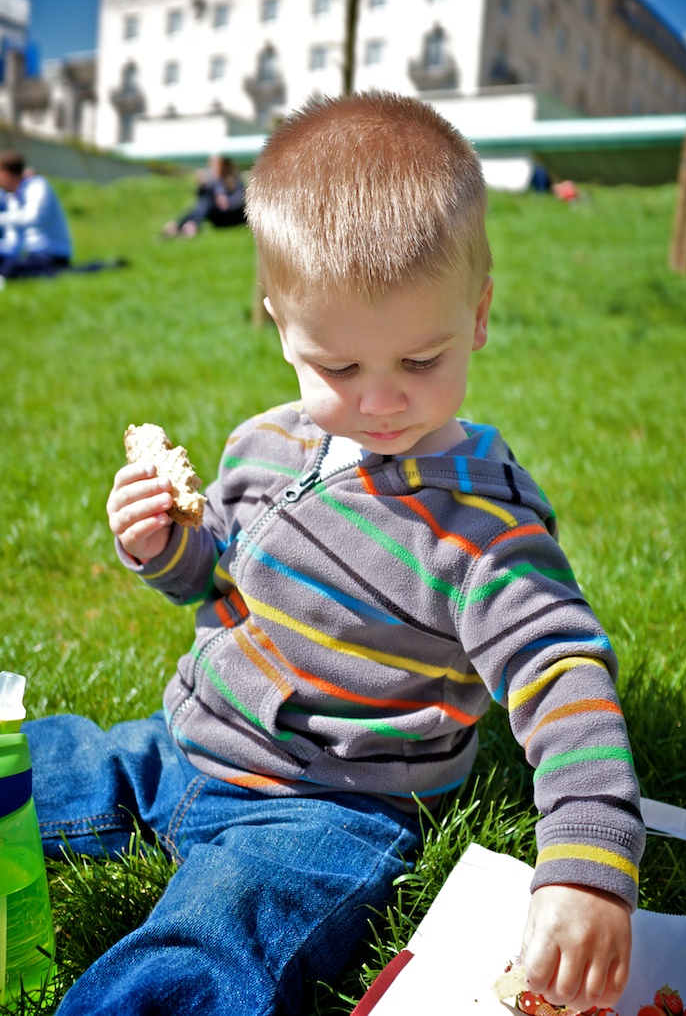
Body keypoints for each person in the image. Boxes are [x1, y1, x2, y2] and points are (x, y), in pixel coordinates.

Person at [25, 92, 644, 1016]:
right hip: (181, 743)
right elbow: (217, 577)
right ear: (280, 324)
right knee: (43, 764)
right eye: (340, 370)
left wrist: (588, 860)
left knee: (217, 940)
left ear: (477, 315)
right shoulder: (263, 442)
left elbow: (559, 670)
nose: (383, 402)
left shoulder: (483, 521)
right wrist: (166, 547)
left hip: (330, 807)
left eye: (422, 359)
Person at [0, 150, 73, 280]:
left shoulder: (37, 186)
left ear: (5, 173)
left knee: (10, 270)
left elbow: (33, 218)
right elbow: (13, 238)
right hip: (29, 255)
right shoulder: (11, 194)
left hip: (51, 255)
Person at [162, 154, 246, 238]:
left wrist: (228, 202)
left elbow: (240, 198)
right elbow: (199, 199)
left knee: (206, 201)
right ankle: (187, 225)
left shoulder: (233, 179)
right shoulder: (213, 182)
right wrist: (203, 186)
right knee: (205, 201)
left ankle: (181, 225)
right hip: (217, 216)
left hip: (232, 215)